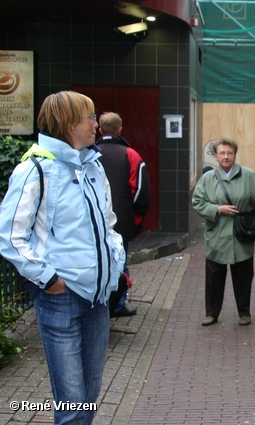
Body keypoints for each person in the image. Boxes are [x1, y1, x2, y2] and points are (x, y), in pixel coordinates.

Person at [0, 91, 125, 425]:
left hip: (97, 298)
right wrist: (49, 280)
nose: (96, 123)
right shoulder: (35, 170)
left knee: (89, 395)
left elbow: (108, 224)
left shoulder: (93, 167)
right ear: (69, 123)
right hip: (61, 298)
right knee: (71, 401)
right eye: (90, 117)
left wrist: (114, 264)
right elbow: (10, 236)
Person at [192, 137, 255, 327]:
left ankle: (244, 312)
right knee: (214, 277)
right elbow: (197, 202)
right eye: (222, 153)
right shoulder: (208, 178)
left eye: (230, 153)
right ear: (216, 155)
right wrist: (218, 210)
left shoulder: (248, 175)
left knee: (243, 277)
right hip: (216, 234)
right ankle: (211, 313)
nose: (226, 157)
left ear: (235, 154)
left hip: (241, 234)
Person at [97, 112, 151, 318]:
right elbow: (140, 192)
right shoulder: (130, 154)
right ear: (120, 129)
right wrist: (135, 217)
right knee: (119, 262)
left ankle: (99, 303)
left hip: (93, 222)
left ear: (100, 130)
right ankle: (117, 304)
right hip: (120, 222)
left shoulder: (87, 154)